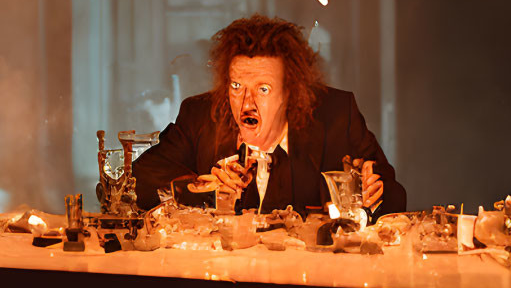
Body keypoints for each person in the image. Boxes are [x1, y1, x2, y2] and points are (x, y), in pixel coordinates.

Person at [133, 15, 406, 216]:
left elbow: (395, 198)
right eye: (237, 86)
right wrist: (201, 187)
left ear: (290, 92)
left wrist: (375, 191)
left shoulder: (336, 115)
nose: (246, 104)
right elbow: (140, 179)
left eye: (263, 89)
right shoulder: (201, 115)